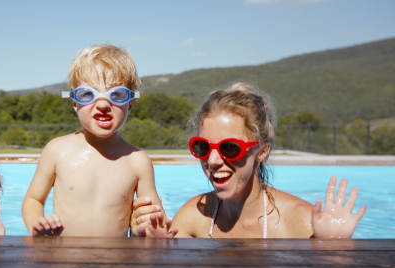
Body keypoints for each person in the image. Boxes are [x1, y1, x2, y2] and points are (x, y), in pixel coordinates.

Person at [132, 82, 366, 238]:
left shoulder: (302, 223)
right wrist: (156, 249)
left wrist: (334, 248)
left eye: (230, 148)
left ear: (262, 151)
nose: (212, 160)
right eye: (203, 147)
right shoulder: (194, 217)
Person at [21, 43, 170, 237]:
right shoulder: (57, 151)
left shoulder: (137, 161)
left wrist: (153, 228)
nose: (102, 104)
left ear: (130, 104)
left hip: (117, 263)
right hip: (65, 261)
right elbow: (33, 199)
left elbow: (152, 215)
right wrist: (37, 226)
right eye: (87, 94)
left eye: (116, 95)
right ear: (74, 102)